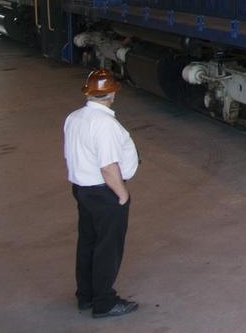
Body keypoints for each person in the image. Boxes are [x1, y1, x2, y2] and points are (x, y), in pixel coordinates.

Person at [63, 68, 140, 319]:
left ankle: (85, 296)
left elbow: (70, 154)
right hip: (104, 193)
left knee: (88, 243)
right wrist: (122, 195)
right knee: (108, 248)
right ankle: (104, 303)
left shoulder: (74, 117)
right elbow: (108, 166)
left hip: (82, 190)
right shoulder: (105, 123)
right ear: (113, 93)